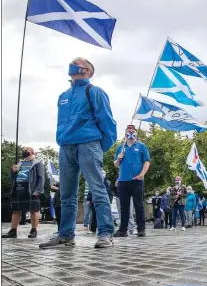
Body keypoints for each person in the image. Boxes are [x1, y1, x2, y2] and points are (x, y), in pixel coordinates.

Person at [39, 58, 117, 249]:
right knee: (67, 194)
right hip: (66, 146)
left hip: (88, 144)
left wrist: (100, 146)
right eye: (72, 62)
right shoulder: (63, 95)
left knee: (97, 189)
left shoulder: (94, 91)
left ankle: (106, 233)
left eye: (79, 63)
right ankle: (65, 235)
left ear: (88, 71)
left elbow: (107, 121)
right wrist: (62, 139)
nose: (73, 64)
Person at [112, 124, 150, 237]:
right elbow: (116, 164)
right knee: (124, 207)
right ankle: (123, 230)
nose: (130, 133)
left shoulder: (141, 146)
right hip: (123, 181)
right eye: (128, 131)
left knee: (139, 205)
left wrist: (142, 174)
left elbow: (147, 161)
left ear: (136, 133)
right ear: (125, 133)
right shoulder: (121, 147)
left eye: (132, 131)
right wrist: (118, 159)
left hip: (137, 180)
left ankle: (141, 229)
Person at [2, 147, 45, 239]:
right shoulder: (19, 163)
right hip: (18, 188)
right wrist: (13, 172)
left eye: (26, 151)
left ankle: (33, 230)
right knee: (16, 210)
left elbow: (41, 178)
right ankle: (13, 231)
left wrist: (38, 190)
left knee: (34, 210)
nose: (24, 152)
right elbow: (12, 178)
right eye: (23, 151)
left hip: (31, 189)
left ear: (32, 152)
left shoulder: (38, 163)